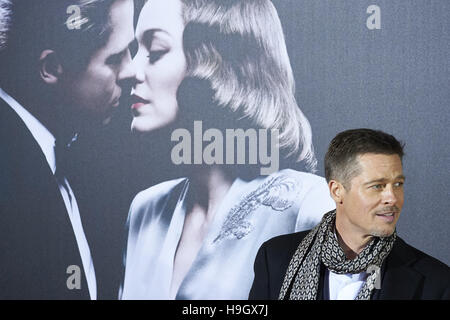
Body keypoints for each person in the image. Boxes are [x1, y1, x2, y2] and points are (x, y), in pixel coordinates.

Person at [120, 0, 335, 299]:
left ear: (214, 63)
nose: (130, 70)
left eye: (155, 51)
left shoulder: (310, 207)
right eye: (134, 51)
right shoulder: (145, 211)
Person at [0, 0, 136, 299]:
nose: (132, 71)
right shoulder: (11, 184)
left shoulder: (61, 157)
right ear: (50, 68)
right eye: (114, 59)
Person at [249, 128, 450, 300]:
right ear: (337, 191)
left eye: (398, 184)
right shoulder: (275, 257)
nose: (393, 198)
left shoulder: (436, 281)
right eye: (377, 186)